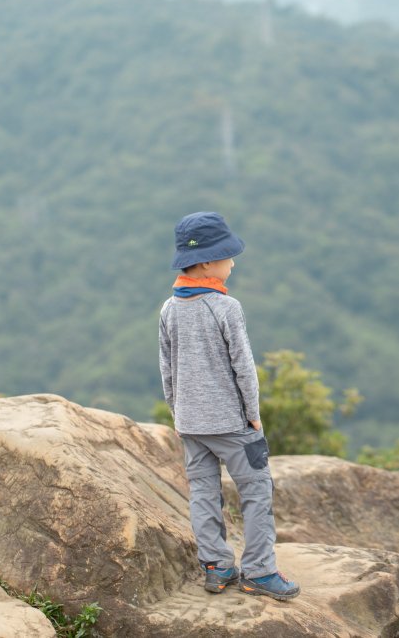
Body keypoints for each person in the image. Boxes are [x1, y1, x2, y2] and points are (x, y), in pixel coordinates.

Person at [158, 211, 300, 601]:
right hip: (232, 422)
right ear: (205, 262)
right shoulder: (225, 308)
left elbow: (166, 367)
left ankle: (216, 567)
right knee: (255, 491)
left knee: (203, 492)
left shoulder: (170, 308)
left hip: (190, 423)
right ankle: (260, 571)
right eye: (226, 256)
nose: (232, 262)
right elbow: (244, 368)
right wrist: (253, 414)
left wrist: (177, 412)